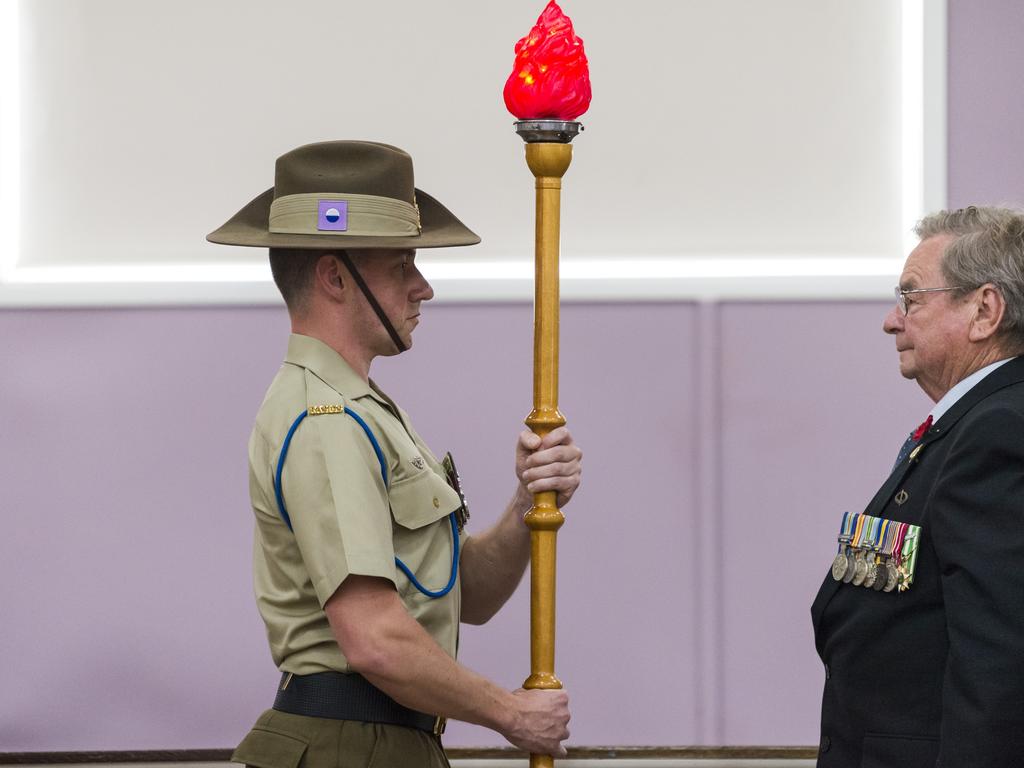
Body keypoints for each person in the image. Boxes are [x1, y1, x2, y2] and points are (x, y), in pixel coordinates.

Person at [207, 140, 582, 767]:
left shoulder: (364, 411)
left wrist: (526, 502)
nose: (422, 287)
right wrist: (512, 714)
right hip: (351, 747)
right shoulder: (324, 418)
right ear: (333, 276)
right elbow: (375, 640)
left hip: (378, 742)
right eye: (401, 264)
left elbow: (467, 597)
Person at [811, 206, 1024, 767]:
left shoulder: (998, 431)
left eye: (912, 297)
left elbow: (998, 664)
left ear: (984, 310)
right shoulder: (971, 424)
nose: (891, 319)